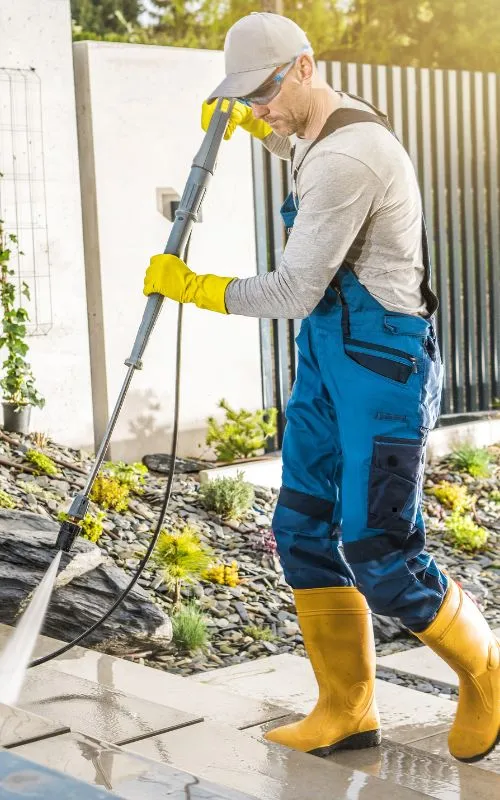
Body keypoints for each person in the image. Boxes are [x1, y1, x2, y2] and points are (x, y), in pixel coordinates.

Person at [143, 12, 499, 763]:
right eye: (250, 96)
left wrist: (194, 287)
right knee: (301, 526)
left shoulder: (354, 157)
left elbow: (295, 288)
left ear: (304, 66)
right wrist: (256, 128)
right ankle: (347, 707)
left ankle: (488, 671)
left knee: (379, 548)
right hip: (327, 361)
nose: (264, 107)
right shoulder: (318, 129)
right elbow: (298, 143)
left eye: (266, 92)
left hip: (382, 368)